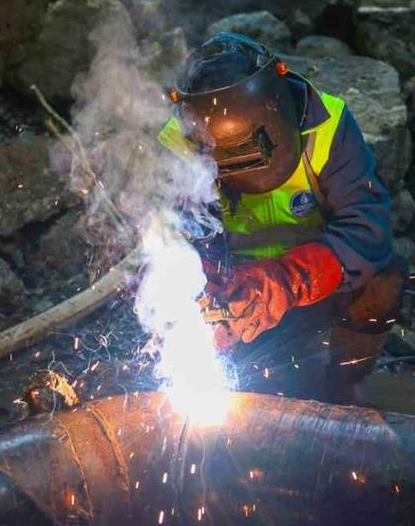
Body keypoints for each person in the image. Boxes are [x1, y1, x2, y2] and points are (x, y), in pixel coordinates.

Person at [160, 32, 401, 404]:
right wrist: (209, 296)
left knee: (384, 280)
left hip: (317, 283)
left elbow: (368, 231)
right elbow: (182, 242)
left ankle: (344, 386)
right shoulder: (183, 143)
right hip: (240, 297)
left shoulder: (329, 124)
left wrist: (287, 280)